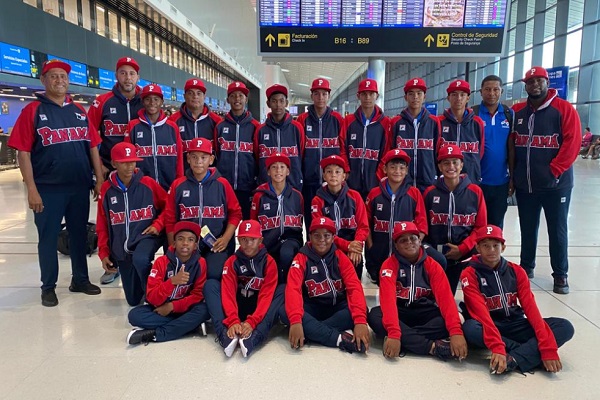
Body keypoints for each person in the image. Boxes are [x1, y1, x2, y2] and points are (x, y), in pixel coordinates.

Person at [8, 59, 104, 307]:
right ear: (43, 80)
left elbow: (92, 146)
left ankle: (80, 280)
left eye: (63, 76)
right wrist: (31, 189)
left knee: (79, 235)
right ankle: (48, 286)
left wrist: (99, 179)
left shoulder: (78, 111)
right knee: (48, 238)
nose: (59, 80)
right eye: (53, 76)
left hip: (79, 186)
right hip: (48, 189)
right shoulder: (32, 111)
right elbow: (23, 153)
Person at [461, 225, 575, 374]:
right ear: (477, 248)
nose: (491, 250)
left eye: (496, 245)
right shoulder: (469, 273)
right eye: (485, 246)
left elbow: (531, 308)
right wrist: (497, 347)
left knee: (565, 327)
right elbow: (480, 313)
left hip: (516, 324)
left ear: (503, 247)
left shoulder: (517, 271)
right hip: (489, 325)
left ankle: (514, 359)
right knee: (470, 329)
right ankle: (526, 354)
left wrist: (548, 348)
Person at [510, 66, 582, 293]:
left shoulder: (564, 109)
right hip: (526, 184)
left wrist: (554, 170)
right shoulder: (517, 111)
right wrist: (514, 175)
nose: (535, 85)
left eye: (539, 81)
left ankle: (560, 274)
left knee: (557, 230)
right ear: (525, 85)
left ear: (547, 82)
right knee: (527, 228)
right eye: (530, 82)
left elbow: (573, 142)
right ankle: (526, 267)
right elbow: (511, 144)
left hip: (556, 185)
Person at [368, 222, 467, 361]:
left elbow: (446, 300)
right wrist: (394, 332)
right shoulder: (388, 265)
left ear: (419, 241)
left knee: (457, 318)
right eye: (403, 240)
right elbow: (388, 301)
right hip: (399, 311)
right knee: (375, 315)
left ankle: (407, 339)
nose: (409, 243)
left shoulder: (433, 266)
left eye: (413, 238)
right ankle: (431, 347)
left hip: (424, 311)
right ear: (396, 245)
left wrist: (456, 332)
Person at [87, 56, 143, 285]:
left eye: (131, 73)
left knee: (138, 218)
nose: (127, 77)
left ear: (137, 77)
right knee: (111, 219)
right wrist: (99, 173)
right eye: (123, 72)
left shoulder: (146, 101)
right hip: (111, 170)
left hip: (138, 171)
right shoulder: (103, 102)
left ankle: (138, 262)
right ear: (116, 75)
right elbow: (91, 138)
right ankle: (111, 264)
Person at [283, 217, 370, 354]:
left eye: (327, 235)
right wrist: (295, 321)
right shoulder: (301, 258)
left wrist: (360, 321)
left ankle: (312, 332)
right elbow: (293, 289)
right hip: (313, 307)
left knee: (362, 310)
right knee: (284, 312)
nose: (322, 239)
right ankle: (338, 339)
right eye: (316, 235)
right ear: (309, 236)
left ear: (333, 237)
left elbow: (354, 288)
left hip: (337, 307)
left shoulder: (341, 257)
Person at [96, 142, 167, 306]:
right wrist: (104, 252)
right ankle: (144, 291)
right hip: (121, 247)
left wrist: (158, 224)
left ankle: (155, 293)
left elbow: (168, 207)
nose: (129, 166)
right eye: (124, 162)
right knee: (133, 300)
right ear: (114, 163)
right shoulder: (107, 190)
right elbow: (102, 224)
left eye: (133, 161)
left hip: (146, 237)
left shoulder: (148, 184)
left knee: (141, 259)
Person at [161, 137, 242, 280]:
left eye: (203, 157)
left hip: (215, 243)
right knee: (185, 277)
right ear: (188, 159)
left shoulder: (222, 184)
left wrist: (226, 238)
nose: (199, 161)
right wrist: (173, 244)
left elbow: (235, 213)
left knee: (214, 274)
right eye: (194, 157)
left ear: (211, 160)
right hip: (187, 244)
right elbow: (170, 217)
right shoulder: (178, 185)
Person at [204, 220, 285, 358]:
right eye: (243, 239)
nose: (247, 244)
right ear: (238, 240)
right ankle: (225, 335)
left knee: (283, 289)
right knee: (211, 285)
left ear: (260, 240)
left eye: (252, 239)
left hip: (258, 308)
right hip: (238, 305)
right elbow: (228, 293)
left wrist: (252, 322)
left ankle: (256, 336)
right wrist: (233, 320)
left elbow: (266, 295)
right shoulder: (232, 261)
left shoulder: (269, 262)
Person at [127, 221, 210, 345]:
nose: (185, 243)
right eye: (181, 239)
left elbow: (198, 295)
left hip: (185, 309)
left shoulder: (201, 263)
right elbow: (151, 297)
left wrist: (172, 307)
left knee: (205, 310)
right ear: (174, 243)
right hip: (160, 308)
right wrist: (171, 282)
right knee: (134, 315)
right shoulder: (161, 262)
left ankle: (156, 334)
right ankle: (190, 326)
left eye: (191, 240)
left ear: (195, 245)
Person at [423, 144, 487, 295]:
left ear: (462, 165)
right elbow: (423, 226)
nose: (451, 166)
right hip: (437, 251)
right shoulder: (430, 193)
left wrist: (462, 249)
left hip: (465, 250)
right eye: (446, 163)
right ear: (439, 166)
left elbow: (480, 227)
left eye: (455, 162)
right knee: (440, 296)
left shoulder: (475, 191)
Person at [364, 149, 429, 284]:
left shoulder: (414, 193)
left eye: (401, 168)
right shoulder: (374, 194)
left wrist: (413, 248)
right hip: (378, 253)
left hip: (404, 256)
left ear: (406, 171)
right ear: (385, 169)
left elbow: (422, 225)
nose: (397, 171)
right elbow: (366, 223)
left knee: (401, 287)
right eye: (392, 167)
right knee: (381, 284)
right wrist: (371, 247)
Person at [297, 78, 347, 230]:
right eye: (317, 94)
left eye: (324, 94)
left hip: (332, 183)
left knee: (331, 222)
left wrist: (345, 172)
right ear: (311, 96)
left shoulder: (337, 119)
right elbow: (299, 151)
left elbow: (343, 147)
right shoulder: (302, 119)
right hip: (309, 182)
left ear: (328, 96)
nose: (320, 97)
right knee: (311, 222)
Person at [311, 155, 369, 278]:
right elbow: (320, 232)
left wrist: (356, 245)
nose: (333, 175)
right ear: (324, 176)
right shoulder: (317, 200)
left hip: (352, 241)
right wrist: (347, 245)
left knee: (355, 261)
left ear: (344, 176)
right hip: (328, 244)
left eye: (337, 171)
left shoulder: (355, 196)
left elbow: (363, 227)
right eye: (329, 171)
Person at [251, 153, 303, 283]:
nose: (278, 170)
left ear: (288, 171)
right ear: (268, 172)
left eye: (282, 167)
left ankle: (286, 286)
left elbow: (301, 223)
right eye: (274, 167)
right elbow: (253, 223)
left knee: (286, 254)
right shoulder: (259, 196)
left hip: (291, 240)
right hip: (267, 240)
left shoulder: (297, 196)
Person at [124, 84, 183, 191]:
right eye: (148, 99)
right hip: (141, 187)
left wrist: (179, 182)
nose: (152, 103)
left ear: (161, 102)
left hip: (169, 187)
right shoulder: (133, 126)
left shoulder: (172, 127)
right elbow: (128, 159)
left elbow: (179, 158)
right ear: (142, 102)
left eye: (156, 99)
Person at [215, 81, 260, 220]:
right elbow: (217, 153)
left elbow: (258, 155)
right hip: (225, 186)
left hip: (247, 186)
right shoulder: (220, 126)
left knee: (248, 226)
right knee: (225, 226)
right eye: (233, 96)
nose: (237, 99)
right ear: (228, 100)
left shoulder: (255, 126)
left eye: (241, 96)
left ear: (246, 99)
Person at [473, 75, 514, 228]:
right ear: (481, 92)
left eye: (495, 89)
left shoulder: (509, 115)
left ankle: (494, 252)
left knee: (496, 224)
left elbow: (511, 148)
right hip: (477, 181)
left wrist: (512, 177)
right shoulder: (473, 114)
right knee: (476, 224)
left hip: (500, 182)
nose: (491, 93)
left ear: (501, 92)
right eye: (487, 89)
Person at [342, 78, 391, 199]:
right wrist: (346, 170)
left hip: (375, 183)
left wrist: (378, 176)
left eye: (371, 94)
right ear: (358, 96)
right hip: (351, 182)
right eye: (364, 94)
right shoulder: (349, 121)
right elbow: (342, 146)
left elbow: (387, 152)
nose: (367, 97)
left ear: (377, 96)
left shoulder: (385, 122)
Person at [390, 77, 440, 192]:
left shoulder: (434, 122)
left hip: (428, 181)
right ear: (405, 97)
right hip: (402, 182)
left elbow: (437, 151)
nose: (415, 97)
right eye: (411, 94)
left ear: (424, 96)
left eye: (419, 93)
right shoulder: (396, 122)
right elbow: (391, 149)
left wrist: (436, 174)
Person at [256, 84, 305, 191]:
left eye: (281, 101)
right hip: (267, 185)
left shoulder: (297, 127)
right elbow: (256, 155)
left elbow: (302, 153)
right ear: (268, 104)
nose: (278, 105)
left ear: (286, 103)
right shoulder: (260, 130)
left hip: (292, 184)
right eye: (274, 101)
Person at [438, 79, 485, 184]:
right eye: (454, 95)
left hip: (470, 179)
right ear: (448, 98)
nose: (458, 98)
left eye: (462, 95)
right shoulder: (439, 122)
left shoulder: (477, 122)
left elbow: (480, 151)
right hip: (445, 180)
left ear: (468, 98)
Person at [170, 78, 221, 170]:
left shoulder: (217, 121)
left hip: (210, 178)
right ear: (184, 96)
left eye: (199, 93)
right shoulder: (172, 121)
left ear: (204, 96)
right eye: (190, 93)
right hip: (184, 177)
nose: (195, 96)